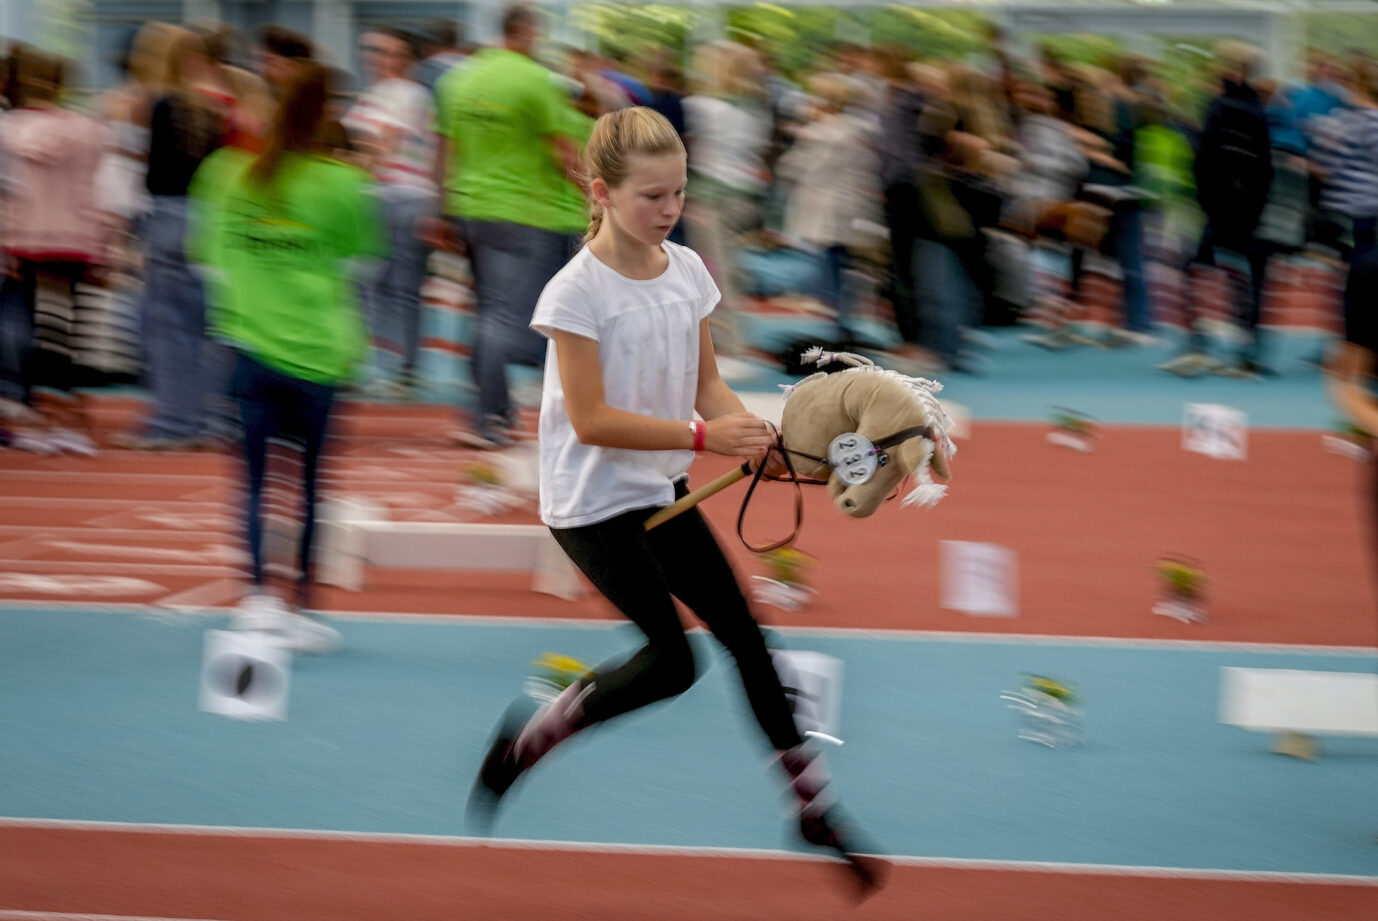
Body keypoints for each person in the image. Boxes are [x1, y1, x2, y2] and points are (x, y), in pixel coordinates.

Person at [467, 106, 885, 897]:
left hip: (661, 486)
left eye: (679, 193)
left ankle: (812, 806)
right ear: (601, 192)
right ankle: (530, 739)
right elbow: (591, 420)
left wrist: (746, 431)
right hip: (591, 504)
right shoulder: (575, 292)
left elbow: (707, 384)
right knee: (672, 660)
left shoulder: (687, 269)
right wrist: (704, 436)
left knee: (750, 640)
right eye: (652, 196)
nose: (670, 209)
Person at [188, 62, 382, 653]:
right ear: (330, 114)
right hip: (320, 352)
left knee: (252, 480)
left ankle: (257, 601)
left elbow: (207, 264)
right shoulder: (343, 183)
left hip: (250, 347)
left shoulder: (224, 173)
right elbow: (363, 267)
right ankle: (300, 609)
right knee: (311, 486)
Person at [434, 3, 590, 449]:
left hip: (469, 209)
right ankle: (487, 418)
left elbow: (443, 150)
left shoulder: (457, 79)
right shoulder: (535, 79)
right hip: (522, 214)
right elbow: (563, 152)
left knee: (487, 312)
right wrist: (597, 200)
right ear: (527, 31)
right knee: (502, 318)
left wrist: (441, 210)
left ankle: (495, 411)